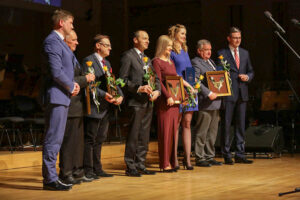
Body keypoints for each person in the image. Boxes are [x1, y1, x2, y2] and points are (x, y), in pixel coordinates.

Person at [42, 9, 80, 191]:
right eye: (70, 23)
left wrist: (73, 84)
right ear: (61, 23)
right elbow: (56, 71)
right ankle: (50, 179)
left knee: (57, 138)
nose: (72, 26)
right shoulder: (52, 41)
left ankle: (53, 176)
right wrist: (71, 85)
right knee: (53, 139)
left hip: (63, 96)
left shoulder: (61, 42)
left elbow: (68, 68)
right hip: (57, 96)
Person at [82, 34, 124, 179]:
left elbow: (113, 82)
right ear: (98, 46)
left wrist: (120, 95)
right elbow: (89, 84)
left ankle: (97, 168)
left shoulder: (107, 63)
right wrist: (104, 94)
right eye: (107, 45)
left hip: (106, 106)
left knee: (100, 139)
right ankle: (88, 169)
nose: (110, 48)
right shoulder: (89, 61)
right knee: (90, 139)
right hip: (95, 106)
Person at [120, 30, 161, 177]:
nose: (147, 41)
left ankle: (140, 163)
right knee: (134, 134)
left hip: (148, 103)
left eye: (148, 39)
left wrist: (157, 91)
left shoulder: (147, 59)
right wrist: (139, 88)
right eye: (144, 38)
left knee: (144, 135)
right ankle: (130, 165)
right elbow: (122, 81)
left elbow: (155, 79)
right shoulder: (128, 56)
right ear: (135, 40)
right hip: (135, 102)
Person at [58, 30, 95, 184]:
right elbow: (67, 79)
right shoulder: (63, 57)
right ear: (66, 41)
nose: (77, 42)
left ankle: (77, 171)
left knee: (77, 142)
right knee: (68, 142)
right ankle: (66, 173)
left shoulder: (72, 56)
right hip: (69, 104)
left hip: (78, 105)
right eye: (74, 39)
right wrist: (85, 78)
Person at [217, 27, 254, 165]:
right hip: (228, 93)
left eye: (239, 37)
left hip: (242, 93)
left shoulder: (245, 53)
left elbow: (251, 71)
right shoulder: (222, 53)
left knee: (240, 125)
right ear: (229, 38)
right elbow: (219, 71)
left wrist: (248, 77)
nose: (237, 40)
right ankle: (226, 153)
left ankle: (240, 153)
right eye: (235, 38)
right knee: (226, 125)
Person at [168, 24, 196, 170]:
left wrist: (193, 86)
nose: (184, 36)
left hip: (189, 89)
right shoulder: (171, 51)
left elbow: (189, 70)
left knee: (187, 123)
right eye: (182, 34)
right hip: (178, 88)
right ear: (175, 35)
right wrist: (187, 85)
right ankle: (175, 159)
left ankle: (187, 158)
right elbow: (173, 74)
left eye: (185, 34)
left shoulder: (185, 51)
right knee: (176, 124)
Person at [191, 39, 222, 167]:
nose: (209, 52)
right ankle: (199, 157)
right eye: (206, 50)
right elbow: (195, 81)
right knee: (202, 130)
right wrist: (208, 93)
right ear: (199, 51)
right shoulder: (195, 62)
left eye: (210, 50)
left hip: (216, 101)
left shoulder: (212, 62)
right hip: (206, 101)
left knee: (212, 132)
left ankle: (209, 156)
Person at [152, 35, 179, 172]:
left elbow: (175, 81)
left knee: (173, 133)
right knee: (165, 132)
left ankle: (173, 162)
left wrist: (181, 96)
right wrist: (168, 96)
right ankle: (164, 163)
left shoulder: (170, 62)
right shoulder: (156, 61)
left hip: (175, 102)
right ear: (162, 46)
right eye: (168, 46)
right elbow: (158, 81)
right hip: (165, 101)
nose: (171, 48)